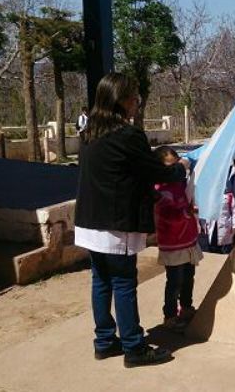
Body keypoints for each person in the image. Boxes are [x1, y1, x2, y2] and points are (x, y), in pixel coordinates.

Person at [74, 73, 188, 368]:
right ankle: (134, 347)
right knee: (124, 282)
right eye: (134, 97)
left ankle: (104, 340)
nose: (137, 103)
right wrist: (180, 169)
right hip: (116, 222)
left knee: (100, 280)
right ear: (121, 100)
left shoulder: (88, 134)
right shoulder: (127, 135)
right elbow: (155, 171)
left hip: (89, 221)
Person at [153, 146, 202, 332]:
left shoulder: (182, 185)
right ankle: (170, 315)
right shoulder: (160, 191)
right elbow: (168, 215)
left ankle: (186, 307)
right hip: (173, 244)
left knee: (189, 276)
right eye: (169, 167)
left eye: (177, 166)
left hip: (188, 239)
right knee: (174, 281)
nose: (175, 172)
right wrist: (186, 212)